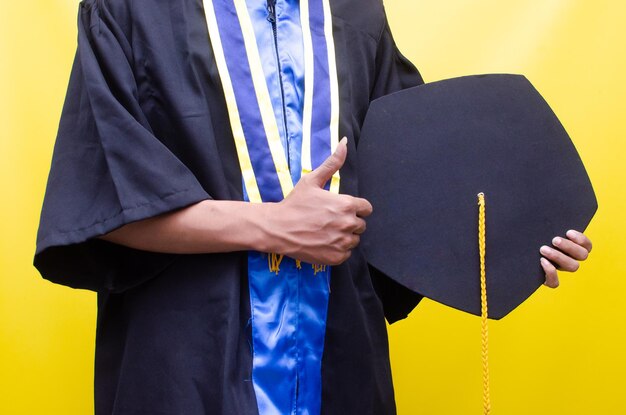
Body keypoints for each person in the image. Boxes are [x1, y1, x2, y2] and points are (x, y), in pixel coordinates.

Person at [34, 0, 593, 414]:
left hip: (339, 361)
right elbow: (101, 202)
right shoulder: (131, 10)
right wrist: (272, 227)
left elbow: (409, 188)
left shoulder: (355, 14)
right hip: (190, 366)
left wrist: (512, 241)